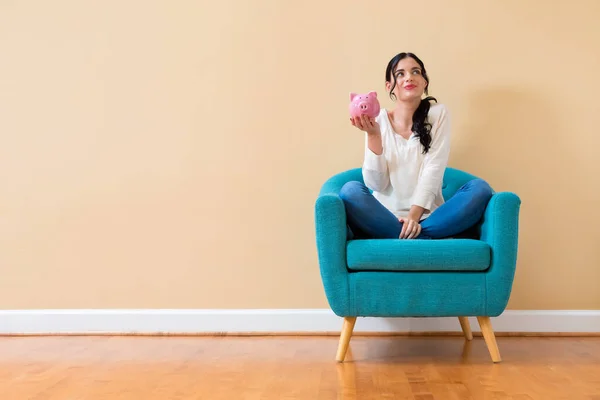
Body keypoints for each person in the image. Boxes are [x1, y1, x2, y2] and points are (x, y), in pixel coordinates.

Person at [340, 52, 493, 240]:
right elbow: (375, 184)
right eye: (400, 74)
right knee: (350, 190)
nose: (409, 77)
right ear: (390, 87)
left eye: (415, 72)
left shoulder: (438, 114)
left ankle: (407, 235)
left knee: (481, 188)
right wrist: (373, 135)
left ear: (424, 82)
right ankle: (417, 236)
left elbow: (433, 169)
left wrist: (413, 217)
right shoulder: (377, 120)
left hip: (430, 218)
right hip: (386, 217)